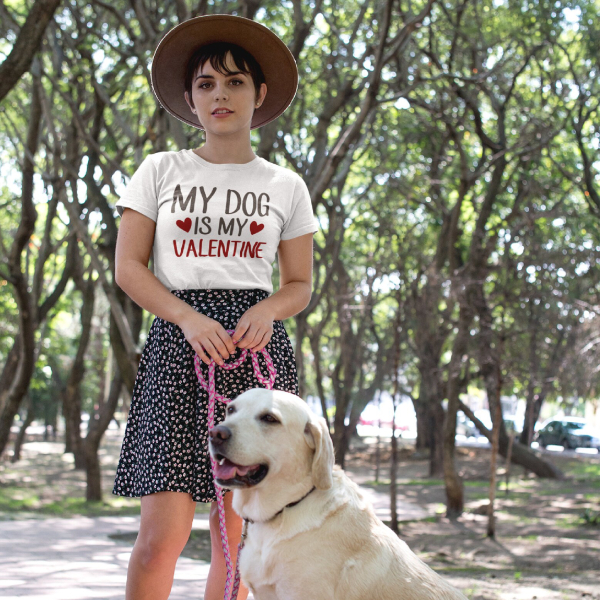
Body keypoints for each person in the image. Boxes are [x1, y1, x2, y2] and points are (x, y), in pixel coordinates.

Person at [111, 14, 318, 600]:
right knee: (160, 539)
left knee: (236, 540)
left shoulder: (285, 185)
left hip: (255, 359)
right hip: (179, 351)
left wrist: (269, 310)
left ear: (260, 94)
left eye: (234, 82)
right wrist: (187, 317)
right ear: (190, 98)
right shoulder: (160, 170)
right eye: (205, 84)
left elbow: (299, 283)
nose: (219, 95)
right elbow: (129, 267)